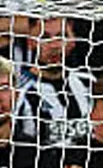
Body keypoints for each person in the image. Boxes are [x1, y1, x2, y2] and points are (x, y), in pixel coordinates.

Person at [11, 17, 95, 147]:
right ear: (31, 42)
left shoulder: (88, 82)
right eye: (45, 37)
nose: (55, 45)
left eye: (62, 36)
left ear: (72, 41)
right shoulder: (20, 93)